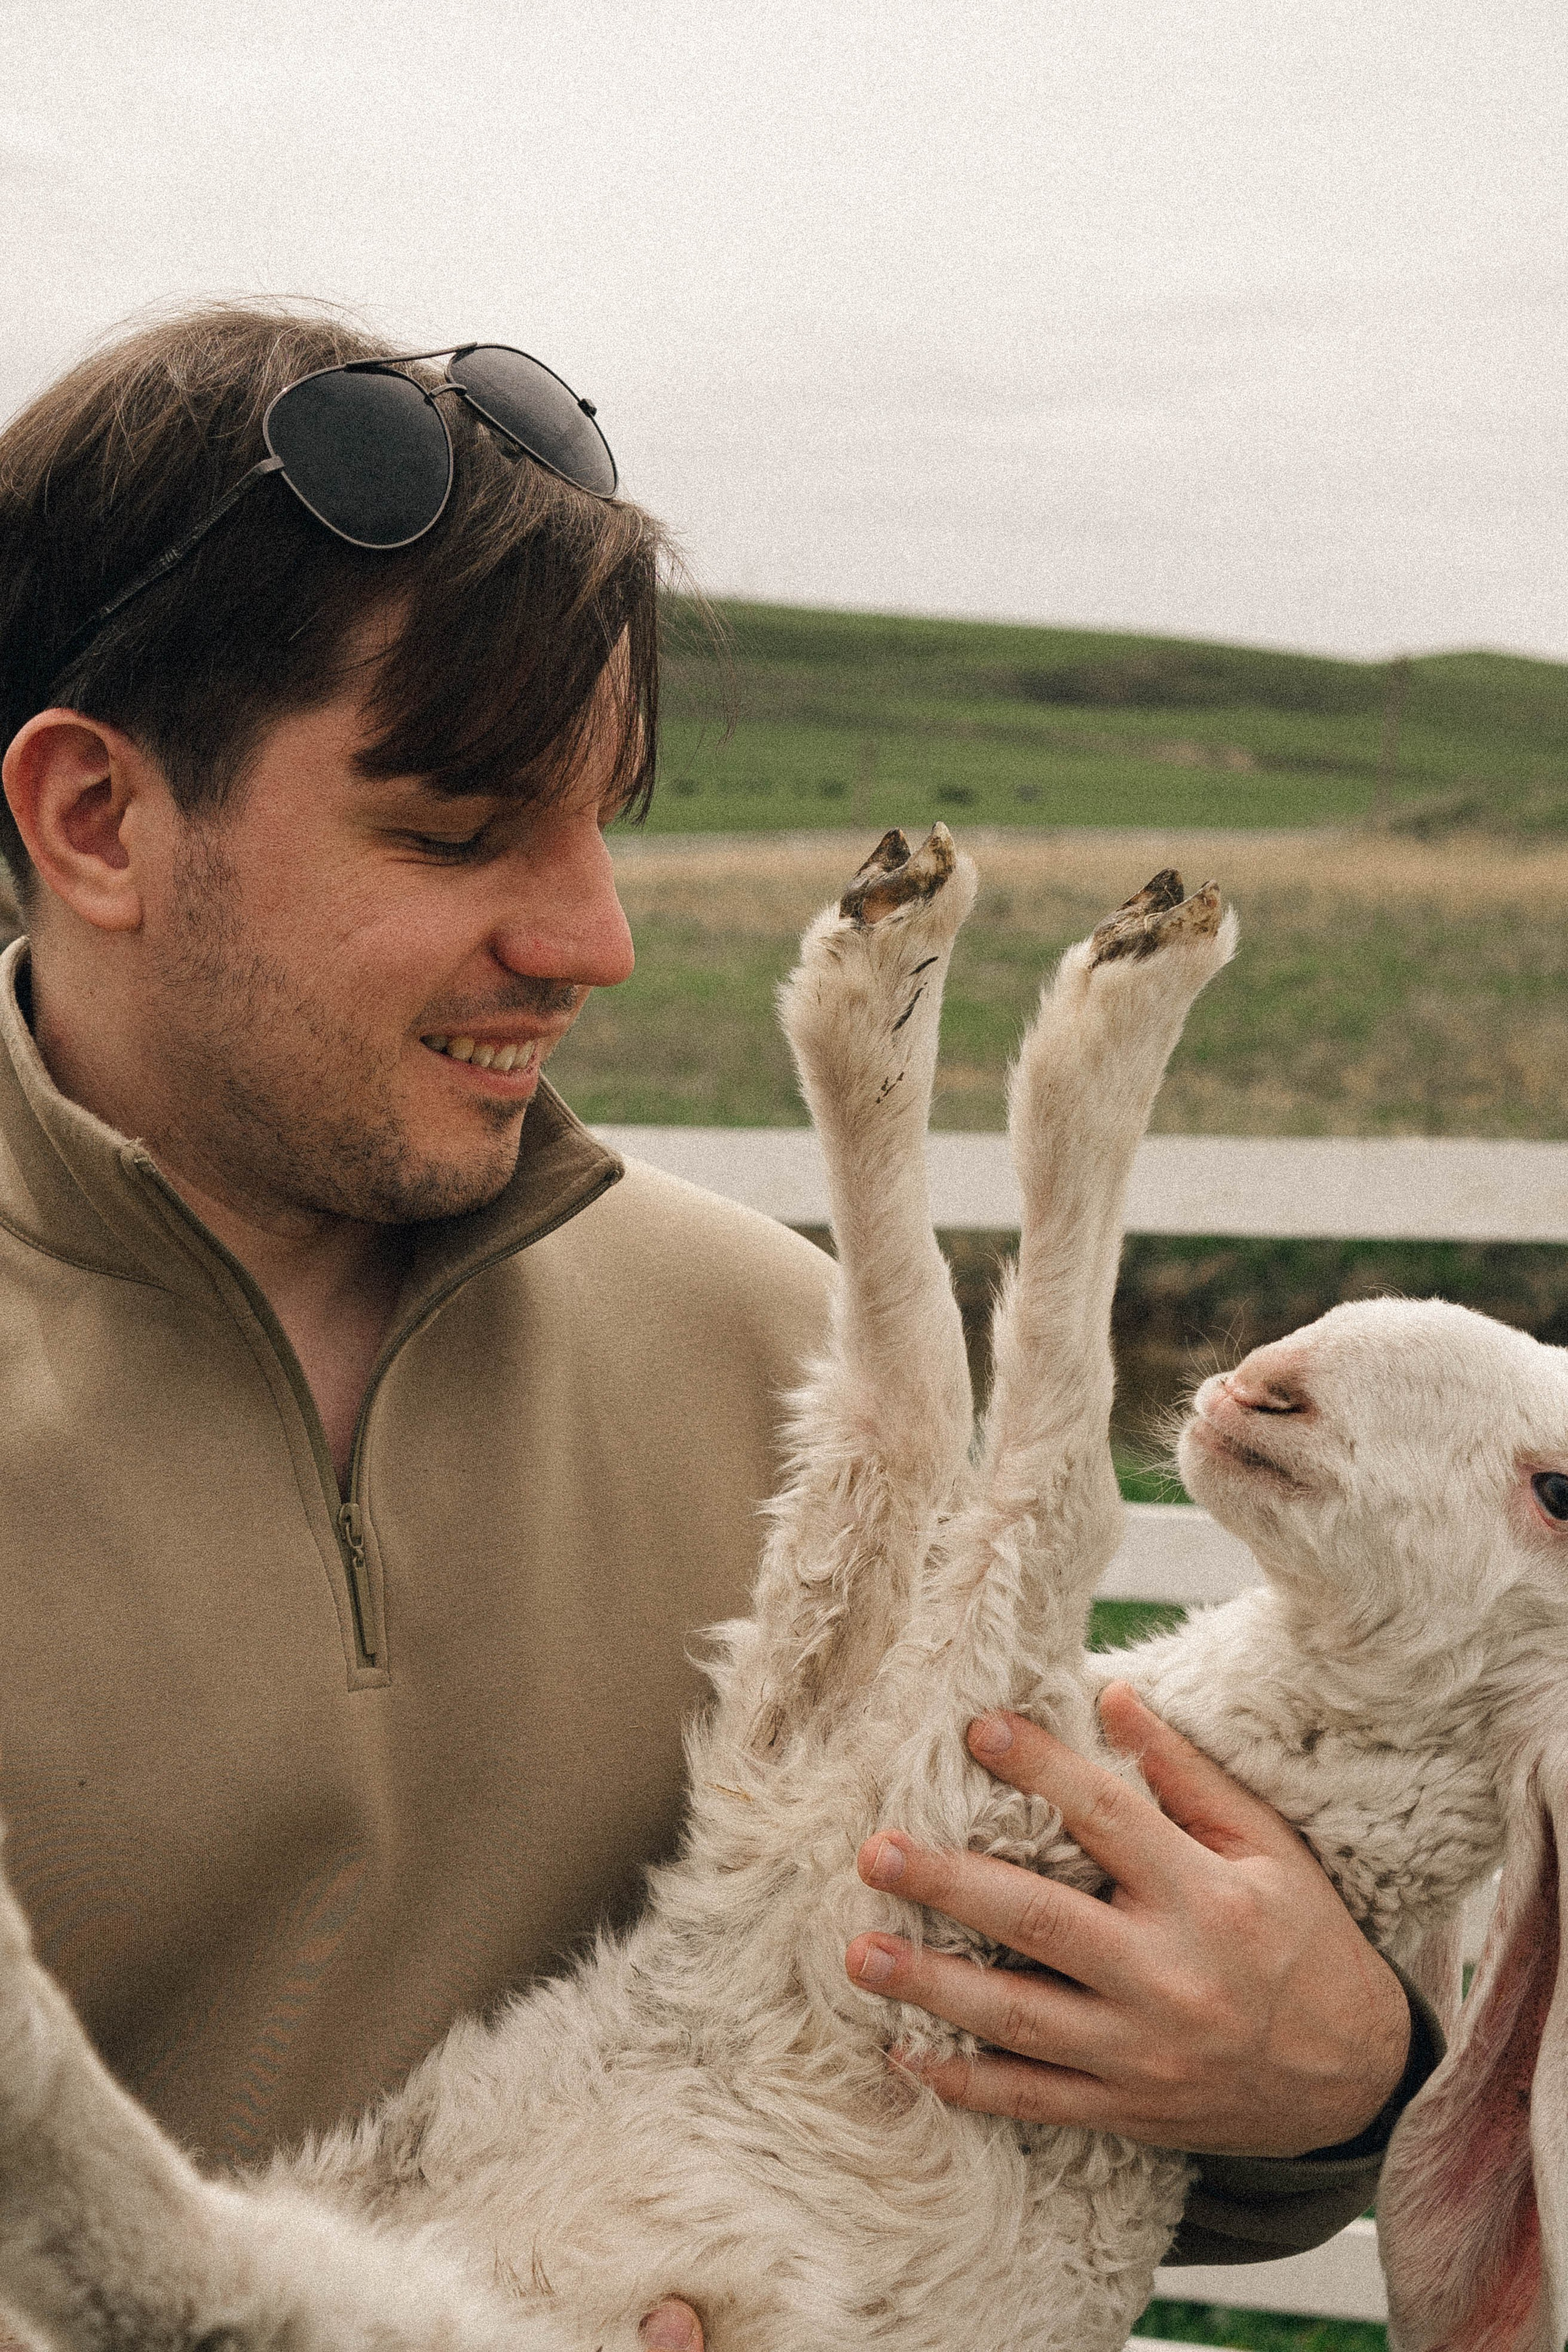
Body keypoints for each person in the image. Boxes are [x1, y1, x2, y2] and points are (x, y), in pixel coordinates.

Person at [0, 304, 1436, 2349]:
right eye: (458, 829)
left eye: (606, 822)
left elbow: (997, 2070)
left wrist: (1326, 2074)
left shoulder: (783, 1347)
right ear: (96, 818)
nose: (596, 937)